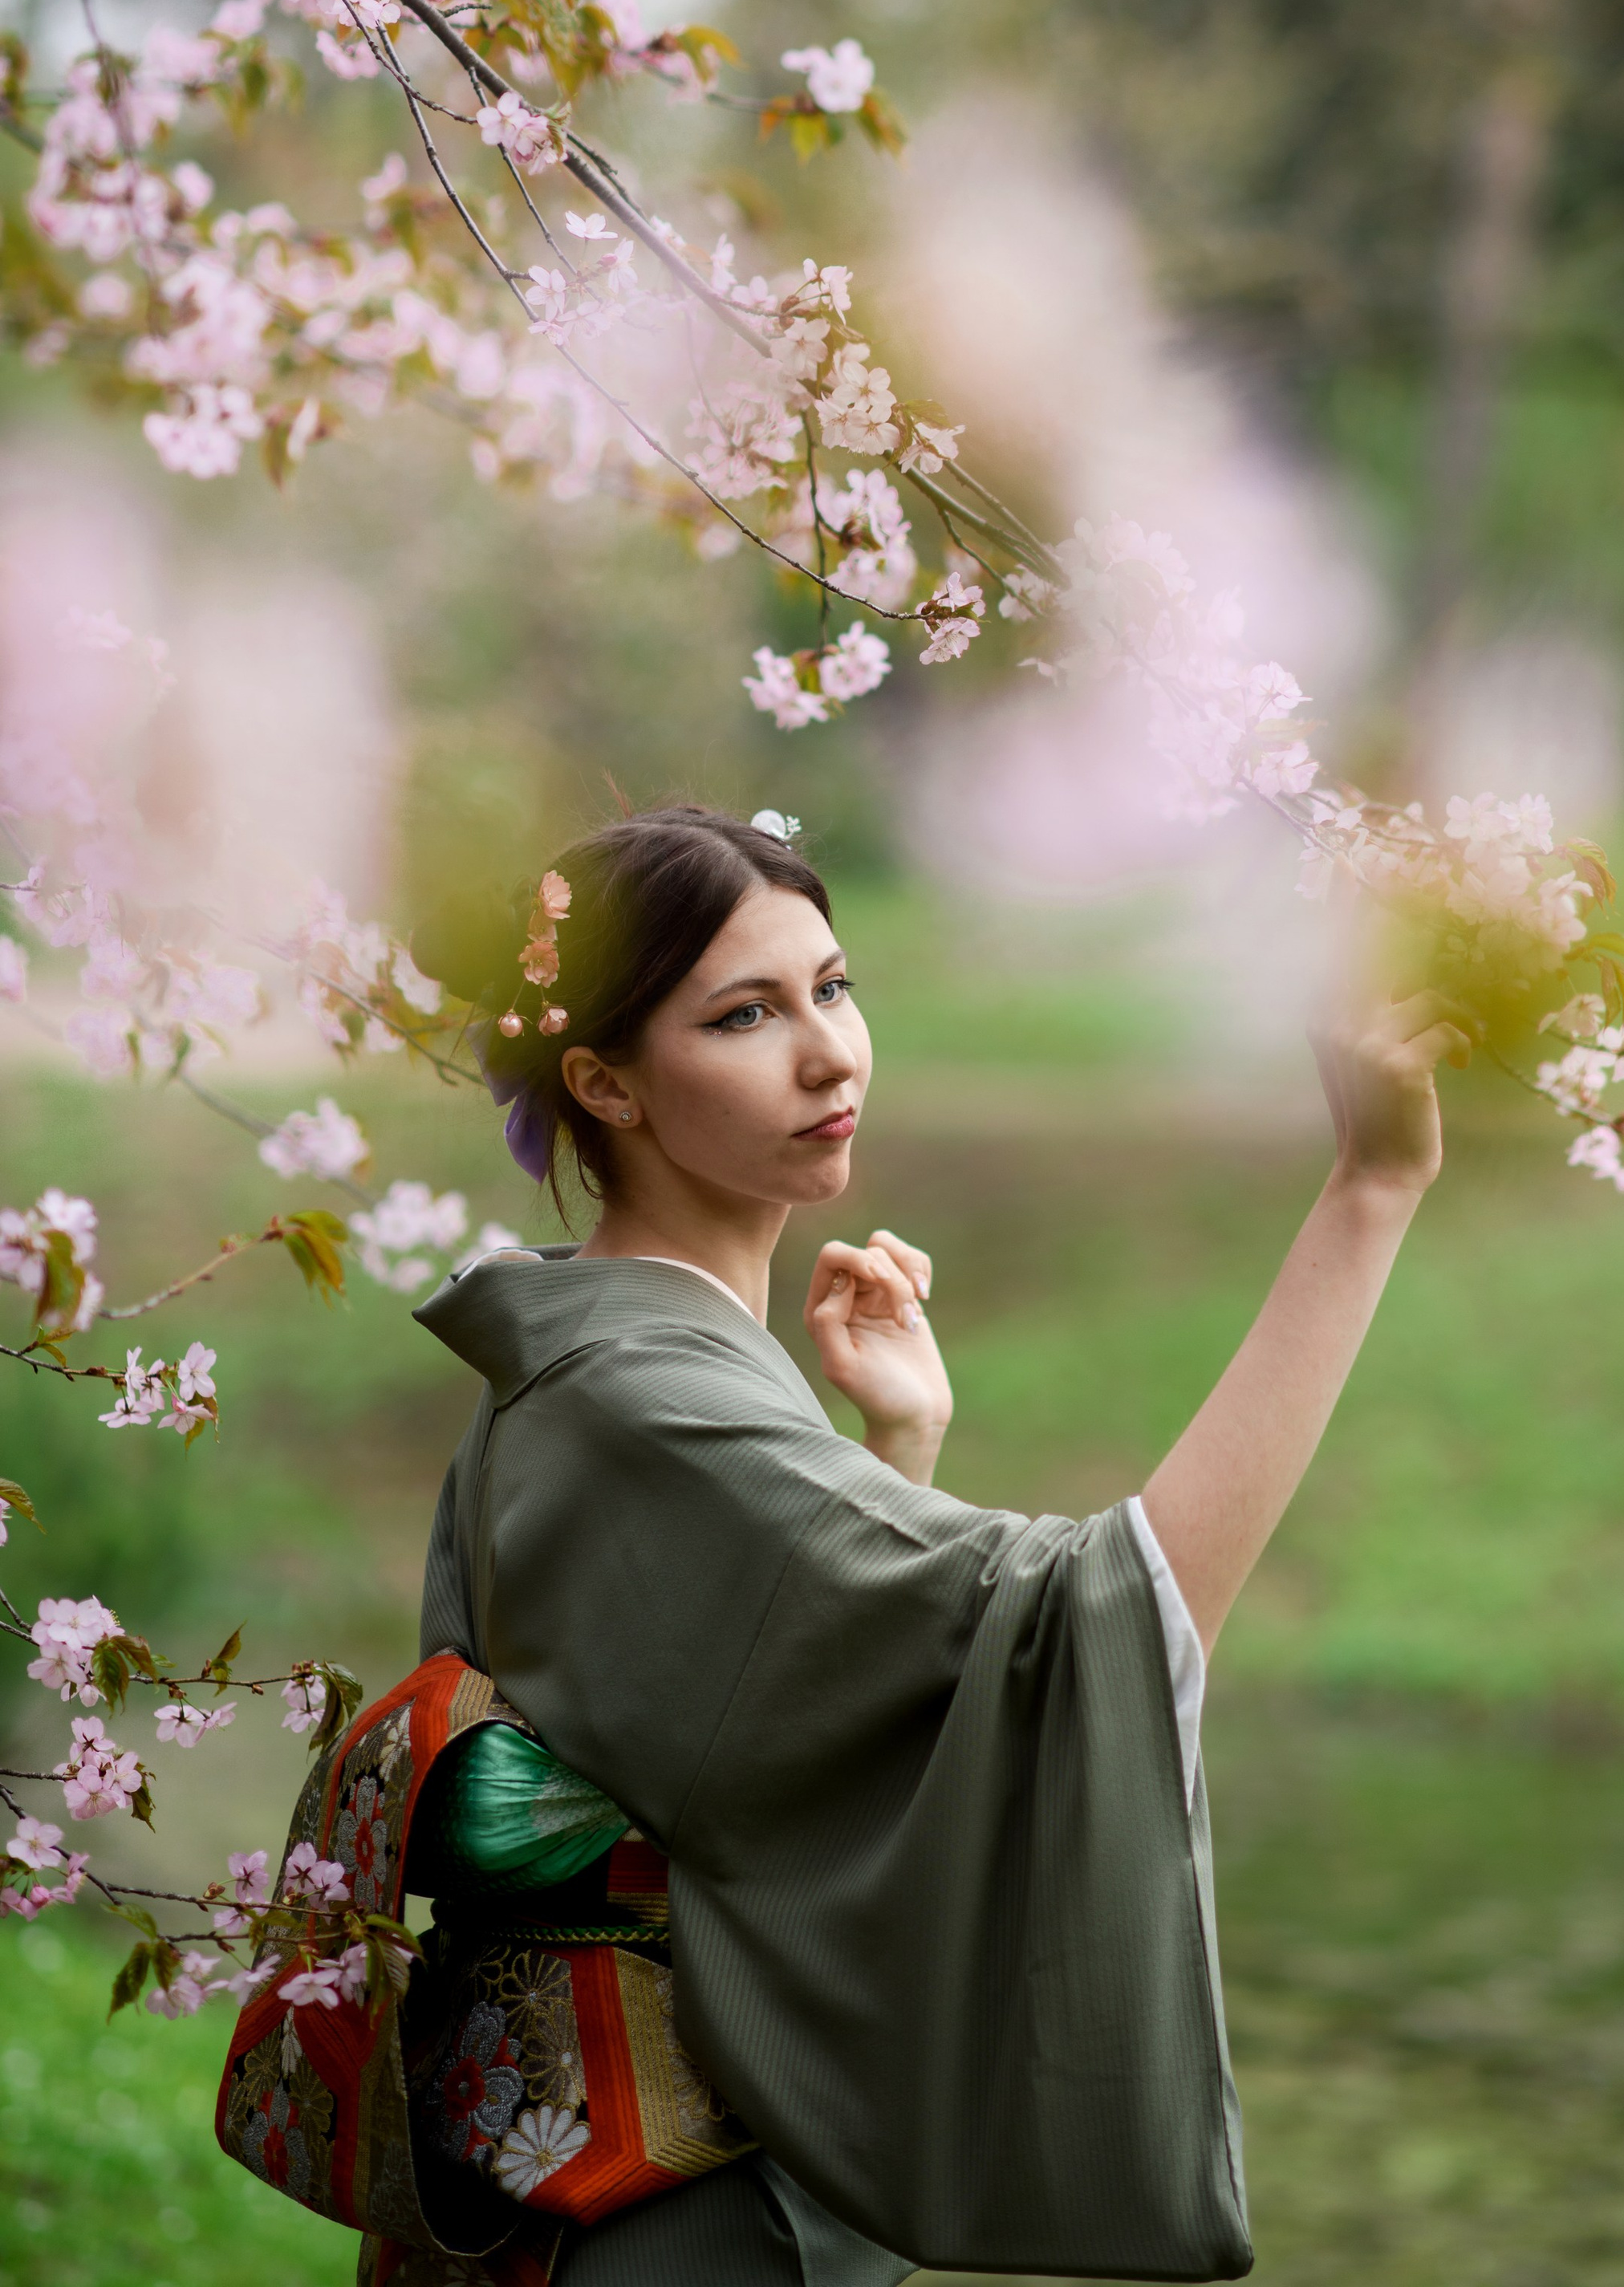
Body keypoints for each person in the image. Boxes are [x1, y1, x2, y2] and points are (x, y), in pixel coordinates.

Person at [407, 801, 1470, 2287]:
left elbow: (763, 1722)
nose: (830, 1051)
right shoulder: (637, 1395)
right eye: (746, 1014)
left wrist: (892, 1459)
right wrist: (1370, 1195)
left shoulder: (607, 1362)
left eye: (834, 988)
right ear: (607, 1082)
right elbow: (1088, 1621)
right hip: (671, 2227)